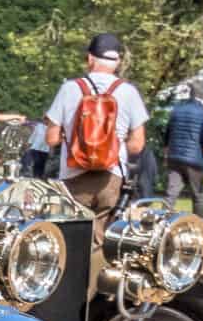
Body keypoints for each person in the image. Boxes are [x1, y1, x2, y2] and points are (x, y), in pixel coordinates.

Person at [41, 31, 150, 228]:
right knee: (101, 237)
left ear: (90, 58)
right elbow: (137, 145)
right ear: (117, 62)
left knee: (72, 237)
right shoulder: (128, 91)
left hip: (73, 175)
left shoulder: (70, 88)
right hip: (111, 175)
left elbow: (51, 139)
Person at [162, 82, 203, 216]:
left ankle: (162, 221)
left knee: (171, 193)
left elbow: (167, 134)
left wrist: (166, 155)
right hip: (194, 159)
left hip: (174, 157)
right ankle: (200, 223)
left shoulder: (176, 109)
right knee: (197, 195)